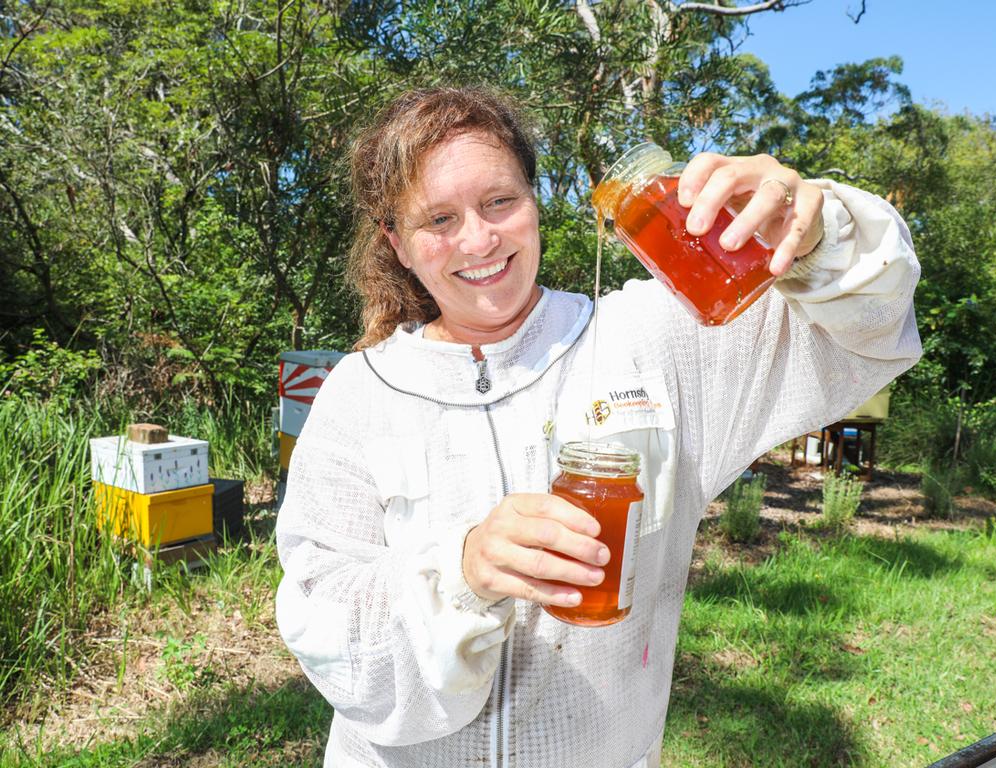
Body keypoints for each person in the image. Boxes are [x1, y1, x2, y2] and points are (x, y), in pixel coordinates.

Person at [275, 86, 921, 768]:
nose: (479, 237)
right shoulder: (359, 393)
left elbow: (868, 336)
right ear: (396, 243)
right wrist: (463, 572)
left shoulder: (652, 339)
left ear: (535, 202)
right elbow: (325, 621)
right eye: (438, 218)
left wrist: (811, 236)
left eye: (500, 201)